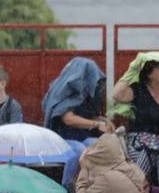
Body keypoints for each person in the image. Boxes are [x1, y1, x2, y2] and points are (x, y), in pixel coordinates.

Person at [112, 54, 159, 184]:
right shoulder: (139, 89)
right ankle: (139, 192)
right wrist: (133, 69)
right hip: (138, 143)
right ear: (149, 74)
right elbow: (116, 94)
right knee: (149, 154)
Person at [43, 57, 110, 186]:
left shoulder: (85, 93)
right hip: (61, 139)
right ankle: (67, 187)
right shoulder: (64, 92)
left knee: (98, 145)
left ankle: (96, 187)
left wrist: (104, 121)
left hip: (81, 137)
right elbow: (68, 119)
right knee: (79, 151)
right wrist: (96, 124)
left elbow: (87, 116)